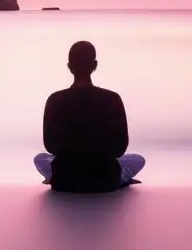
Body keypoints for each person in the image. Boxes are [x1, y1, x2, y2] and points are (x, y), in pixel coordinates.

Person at [34, 41, 145, 192]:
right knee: (137, 159)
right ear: (94, 65)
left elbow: (51, 146)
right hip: (106, 178)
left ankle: (54, 176)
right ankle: (120, 178)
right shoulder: (112, 99)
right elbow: (120, 148)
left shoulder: (55, 100)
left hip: (65, 178)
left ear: (69, 66)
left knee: (40, 158)